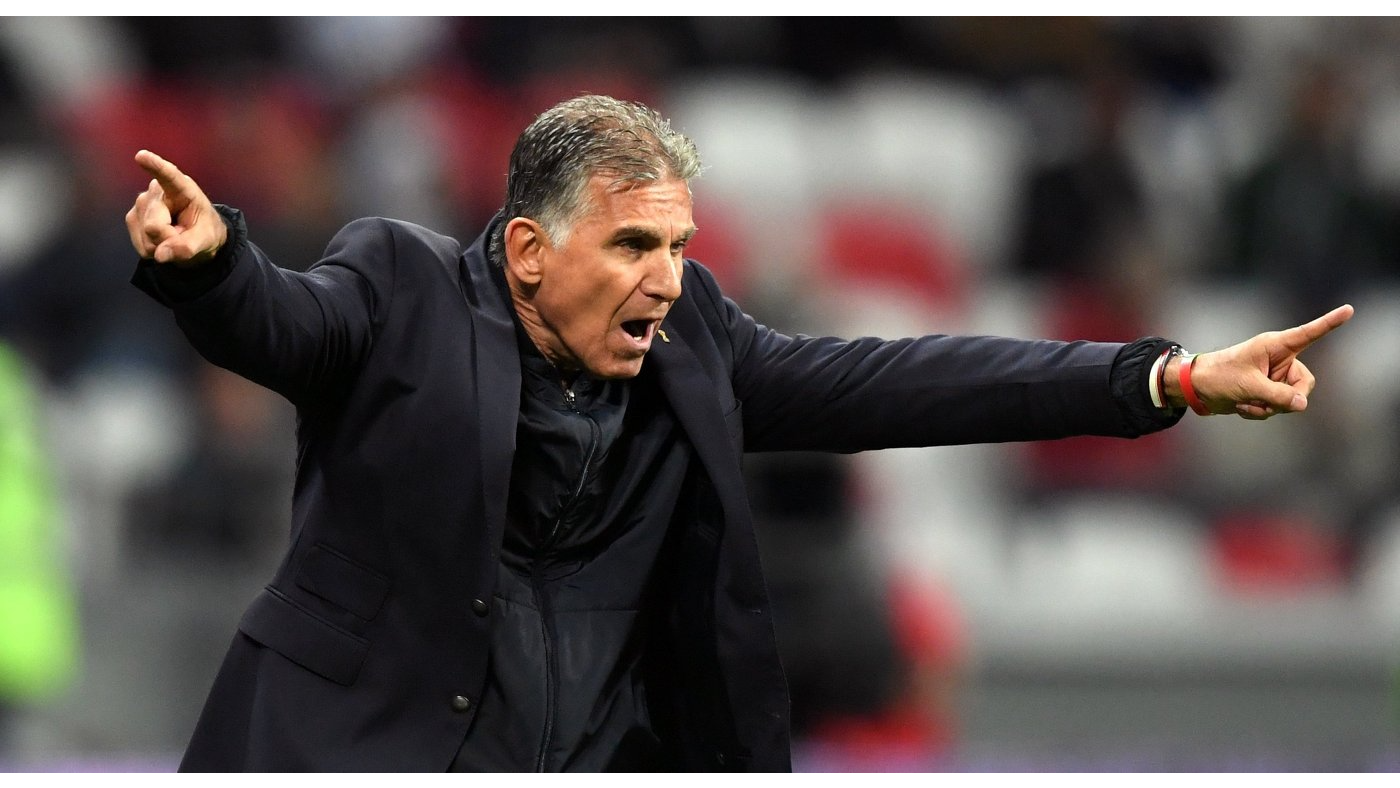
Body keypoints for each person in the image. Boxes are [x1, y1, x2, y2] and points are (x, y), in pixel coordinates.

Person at [124, 93, 1354, 773]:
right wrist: (210, 266)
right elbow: (283, 323)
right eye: (631, 244)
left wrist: (1164, 377)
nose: (664, 276)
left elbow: (903, 381)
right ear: (528, 250)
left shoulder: (694, 339)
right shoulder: (402, 289)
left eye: (677, 244)